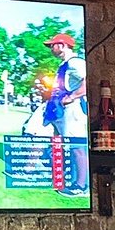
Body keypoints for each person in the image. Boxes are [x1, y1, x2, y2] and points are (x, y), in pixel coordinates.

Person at [44, 32, 88, 196]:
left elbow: (87, 82)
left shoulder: (75, 62)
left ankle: (81, 186)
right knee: (64, 144)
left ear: (62, 45)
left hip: (73, 110)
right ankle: (63, 179)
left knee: (77, 146)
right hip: (63, 110)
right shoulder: (66, 63)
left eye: (52, 45)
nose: (51, 48)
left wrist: (72, 97)